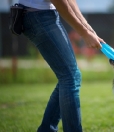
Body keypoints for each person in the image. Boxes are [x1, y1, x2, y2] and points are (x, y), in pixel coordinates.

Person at [18, 0, 105, 131]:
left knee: (71, 76)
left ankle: (47, 129)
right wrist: (84, 33)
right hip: (38, 15)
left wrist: (88, 28)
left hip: (41, 14)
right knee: (70, 78)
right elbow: (59, 1)